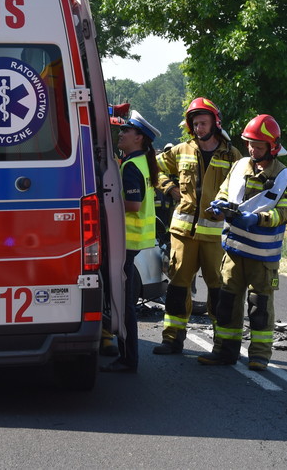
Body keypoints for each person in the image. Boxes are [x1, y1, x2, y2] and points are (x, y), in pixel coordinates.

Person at [198, 114, 287, 371]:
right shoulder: (240, 165)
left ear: (273, 147)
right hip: (233, 251)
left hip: (263, 257)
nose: (253, 149)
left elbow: (286, 212)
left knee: (259, 307)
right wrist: (219, 206)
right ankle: (224, 351)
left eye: (259, 145)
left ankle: (260, 355)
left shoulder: (286, 177)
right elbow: (224, 191)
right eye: (250, 144)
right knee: (227, 304)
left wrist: (258, 219)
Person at [152, 98, 242, 355]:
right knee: (178, 286)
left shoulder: (232, 155)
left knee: (218, 290)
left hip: (215, 236)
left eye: (203, 123)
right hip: (183, 232)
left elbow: (243, 188)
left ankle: (222, 344)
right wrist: (168, 188)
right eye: (195, 124)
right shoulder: (182, 150)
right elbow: (154, 166)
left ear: (216, 122)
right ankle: (172, 339)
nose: (199, 128)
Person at [101, 109, 161, 373]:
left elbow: (134, 205)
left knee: (124, 306)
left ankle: (128, 359)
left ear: (139, 138)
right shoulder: (140, 162)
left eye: (126, 130)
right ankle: (127, 357)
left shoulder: (131, 166)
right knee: (123, 303)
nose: (121, 134)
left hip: (127, 241)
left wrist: (105, 204)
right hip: (133, 243)